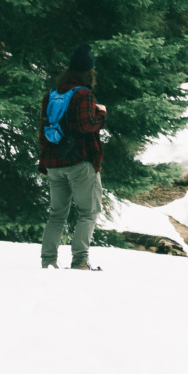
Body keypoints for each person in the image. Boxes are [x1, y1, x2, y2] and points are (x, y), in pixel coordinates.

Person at [38, 44, 108, 270]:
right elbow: (86, 125)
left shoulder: (52, 94)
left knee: (57, 214)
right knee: (88, 212)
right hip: (79, 163)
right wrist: (101, 114)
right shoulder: (84, 94)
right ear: (89, 71)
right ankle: (80, 261)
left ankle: (48, 262)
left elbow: (43, 129)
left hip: (54, 163)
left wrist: (45, 161)